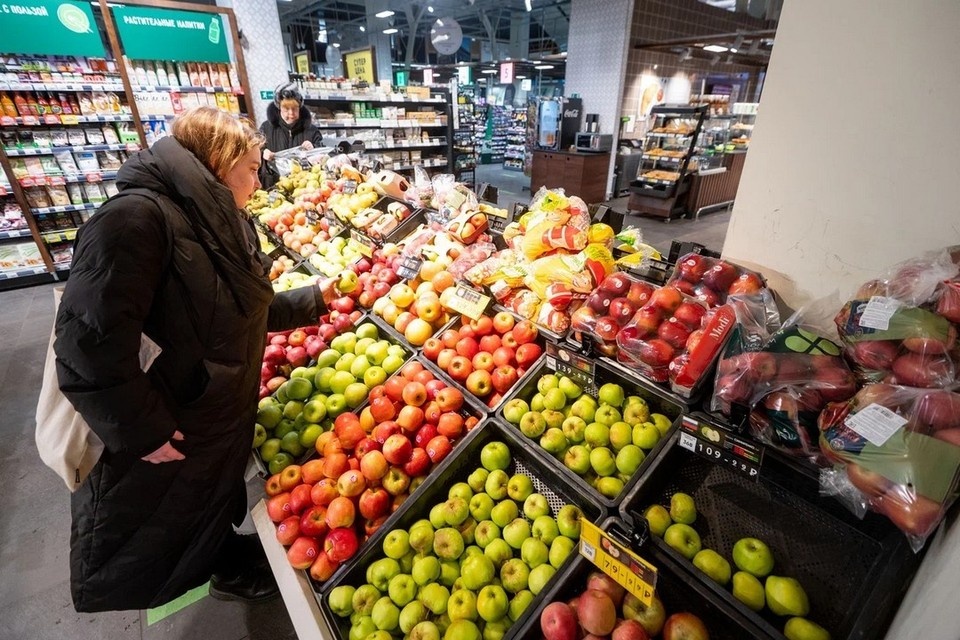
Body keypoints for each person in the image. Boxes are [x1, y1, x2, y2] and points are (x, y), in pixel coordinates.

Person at [54, 107, 335, 612]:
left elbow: (236, 308)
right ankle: (207, 572)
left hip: (209, 406)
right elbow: (87, 345)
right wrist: (142, 428)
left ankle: (220, 562)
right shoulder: (134, 220)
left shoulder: (216, 218)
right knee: (153, 521)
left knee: (199, 508)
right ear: (218, 163)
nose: (259, 178)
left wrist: (315, 298)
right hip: (170, 415)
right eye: (252, 167)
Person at [258, 83, 325, 189]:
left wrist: (314, 148)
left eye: (295, 108)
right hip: (273, 186)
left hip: (305, 187)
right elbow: (255, 150)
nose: (291, 113)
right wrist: (263, 152)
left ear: (300, 107)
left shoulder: (311, 130)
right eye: (286, 108)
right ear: (278, 107)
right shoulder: (266, 128)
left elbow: (323, 155)